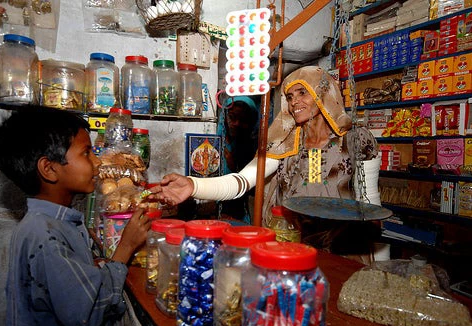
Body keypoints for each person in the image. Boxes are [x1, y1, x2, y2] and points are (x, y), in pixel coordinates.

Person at [149, 66, 378, 250]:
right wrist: (193, 185)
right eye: (289, 96)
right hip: (292, 243)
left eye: (302, 93)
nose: (294, 102)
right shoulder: (284, 143)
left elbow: (372, 203)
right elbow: (241, 182)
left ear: (324, 93)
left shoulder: (355, 139)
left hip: (342, 245)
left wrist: (378, 253)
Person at [0, 106, 151, 326]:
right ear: (49, 169)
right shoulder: (46, 235)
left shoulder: (49, 222)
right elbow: (87, 310)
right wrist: (125, 248)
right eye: (86, 153)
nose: (97, 163)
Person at [217, 95, 260, 223]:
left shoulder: (254, 150)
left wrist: (233, 165)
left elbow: (252, 189)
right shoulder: (212, 142)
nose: (237, 123)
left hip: (238, 213)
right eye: (232, 117)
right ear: (224, 117)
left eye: (243, 120)